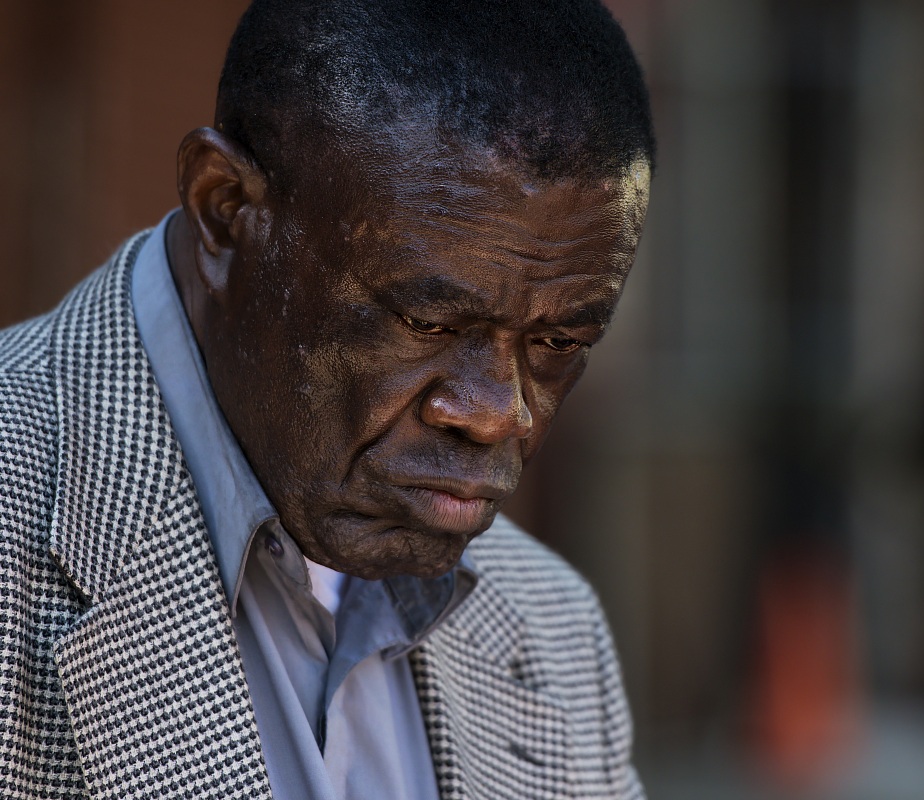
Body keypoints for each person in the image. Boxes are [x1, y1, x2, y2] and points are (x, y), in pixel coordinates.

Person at [0, 0, 653, 797]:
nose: (498, 413)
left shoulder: (555, 634)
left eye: (558, 345)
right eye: (428, 320)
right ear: (225, 210)